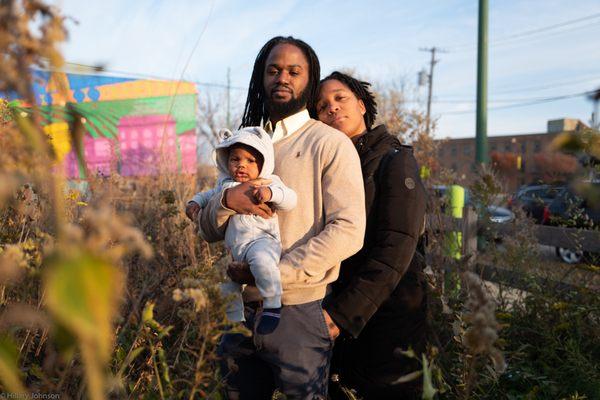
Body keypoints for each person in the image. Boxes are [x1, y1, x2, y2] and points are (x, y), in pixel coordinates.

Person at [193, 37, 366, 399]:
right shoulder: (244, 146)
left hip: (300, 312)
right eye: (273, 70)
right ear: (261, 78)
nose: (282, 77)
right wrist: (226, 199)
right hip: (238, 311)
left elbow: (349, 230)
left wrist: (274, 273)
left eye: (293, 71)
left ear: (310, 79)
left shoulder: (330, 143)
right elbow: (208, 229)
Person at [314, 71, 428, 399]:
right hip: (339, 310)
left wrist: (343, 315)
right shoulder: (326, 169)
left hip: (389, 315)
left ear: (362, 106)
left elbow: (398, 245)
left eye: (340, 98)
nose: (332, 108)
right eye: (322, 106)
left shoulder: (394, 160)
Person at [187, 127, 297, 334]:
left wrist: (270, 193)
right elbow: (206, 195)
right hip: (233, 248)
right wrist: (194, 203)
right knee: (225, 281)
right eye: (235, 159)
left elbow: (291, 199)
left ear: (263, 163)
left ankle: (272, 306)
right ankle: (235, 322)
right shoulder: (224, 185)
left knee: (264, 264)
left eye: (250, 160)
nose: (241, 165)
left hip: (262, 241)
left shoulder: (268, 181)